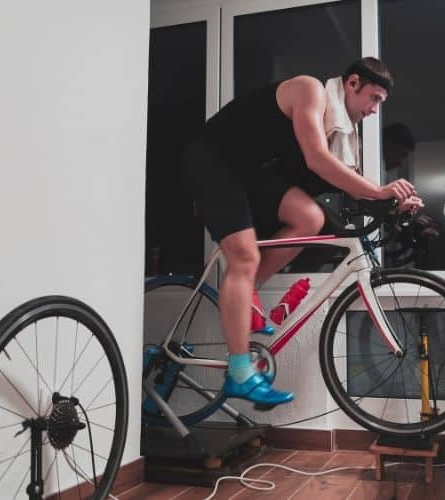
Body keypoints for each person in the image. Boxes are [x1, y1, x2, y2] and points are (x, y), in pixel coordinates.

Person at [181, 57, 423, 407]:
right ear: (352, 83)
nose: (373, 110)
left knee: (310, 218)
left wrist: (392, 204)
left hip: (249, 173)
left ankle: (245, 294)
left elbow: (350, 185)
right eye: (373, 98)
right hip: (212, 159)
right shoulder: (310, 90)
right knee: (245, 255)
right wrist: (379, 190)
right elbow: (317, 160)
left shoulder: (342, 130)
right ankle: (239, 373)